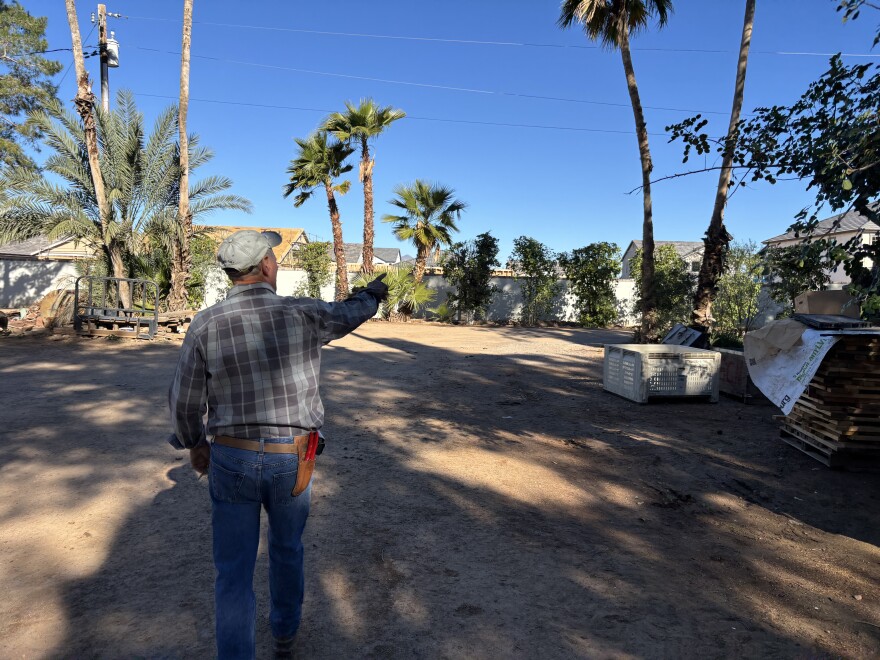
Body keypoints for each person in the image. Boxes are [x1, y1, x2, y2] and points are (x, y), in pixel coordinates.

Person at [167, 229, 388, 659]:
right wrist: (371, 296)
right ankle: (285, 634)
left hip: (231, 456)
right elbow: (349, 313)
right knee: (287, 549)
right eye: (274, 256)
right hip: (293, 457)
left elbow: (184, 401)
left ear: (232, 272)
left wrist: (195, 443)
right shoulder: (304, 313)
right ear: (267, 265)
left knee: (233, 572)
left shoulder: (205, 323)